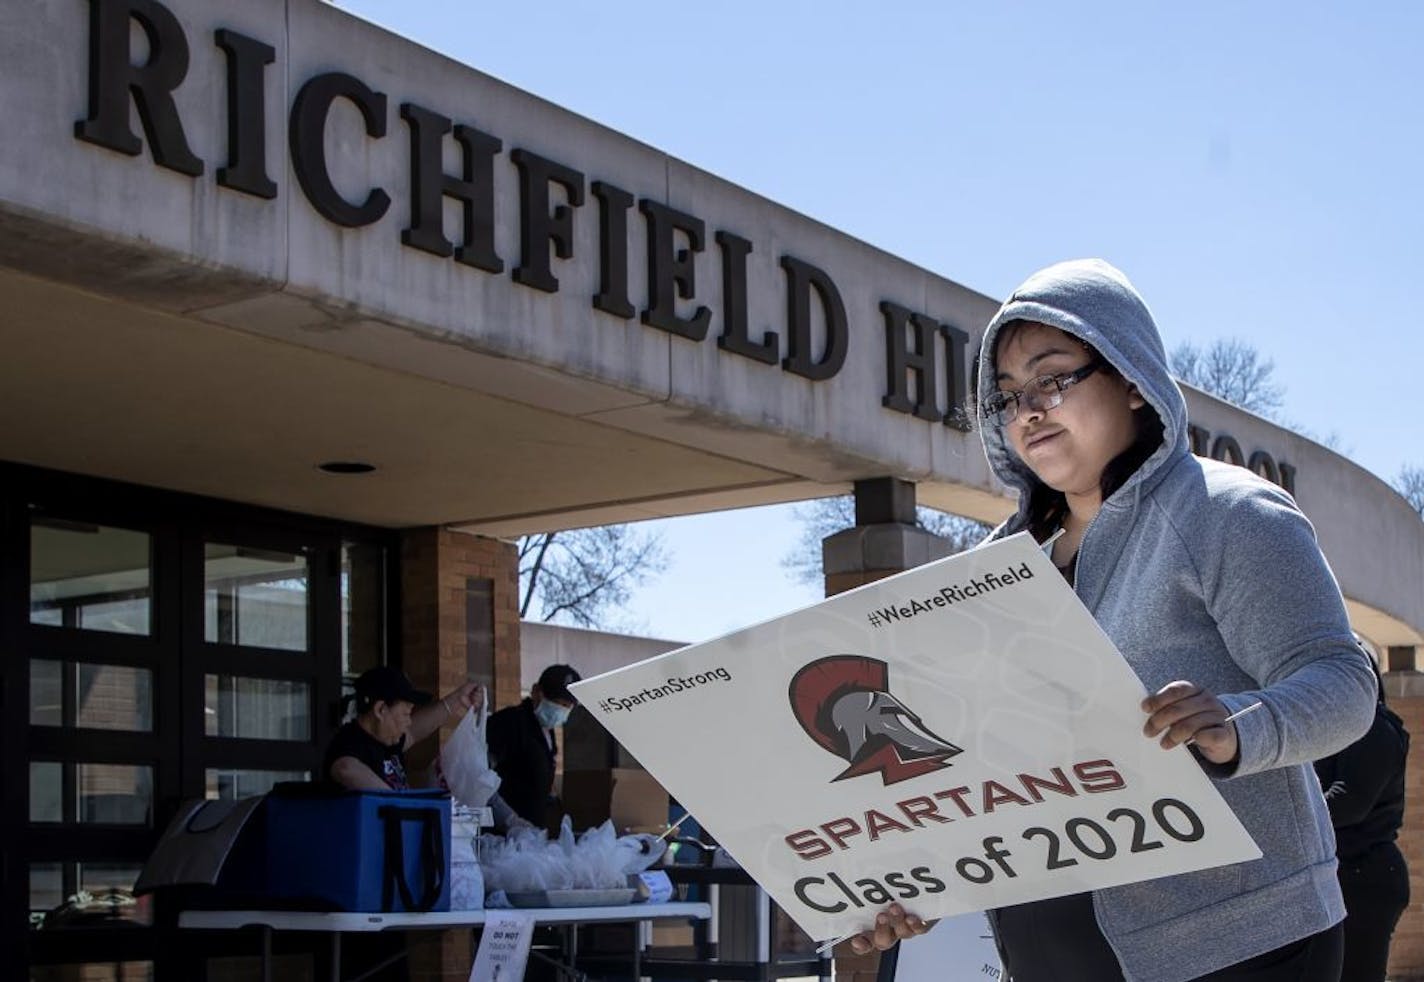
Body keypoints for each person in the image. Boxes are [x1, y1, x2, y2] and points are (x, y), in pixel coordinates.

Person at [852, 259, 1376, 981]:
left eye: (1053, 378)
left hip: (1238, 947)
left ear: (1132, 378)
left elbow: (1344, 683)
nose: (1029, 409)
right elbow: (978, 757)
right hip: (1050, 955)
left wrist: (1235, 728)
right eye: (1007, 396)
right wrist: (925, 879)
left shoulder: (1225, 513)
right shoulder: (999, 563)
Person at [1314, 656, 1410, 982]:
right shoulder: (1332, 728)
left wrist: (1285, 821)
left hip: (1363, 877)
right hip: (1338, 874)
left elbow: (1350, 801)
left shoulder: (1374, 727)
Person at [325, 665, 482, 790]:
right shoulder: (350, 741)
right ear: (380, 710)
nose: (409, 722)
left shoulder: (388, 741)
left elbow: (414, 731)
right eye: (406, 714)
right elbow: (345, 769)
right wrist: (399, 803)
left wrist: (457, 700)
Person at [486, 664, 581, 828]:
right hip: (501, 833)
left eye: (567, 706)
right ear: (537, 692)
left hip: (531, 834)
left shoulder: (547, 732)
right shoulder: (509, 723)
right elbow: (481, 778)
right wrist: (509, 819)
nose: (561, 710)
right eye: (557, 703)